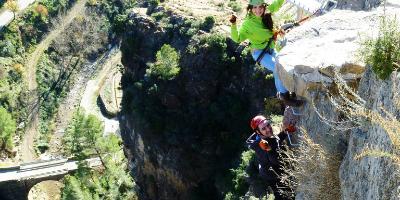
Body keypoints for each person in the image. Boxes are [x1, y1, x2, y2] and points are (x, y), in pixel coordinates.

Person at [230, 0, 301, 106]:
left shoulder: (267, 12)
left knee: (282, 67)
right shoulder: (248, 24)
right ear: (250, 8)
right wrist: (233, 24)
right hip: (259, 52)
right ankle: (284, 96)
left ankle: (286, 92)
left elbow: (277, 4)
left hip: (271, 48)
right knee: (278, 67)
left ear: (264, 7)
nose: (258, 10)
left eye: (260, 7)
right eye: (254, 7)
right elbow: (237, 38)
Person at [246, 115, 294, 200]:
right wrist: (269, 149)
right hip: (272, 174)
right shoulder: (262, 145)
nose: (268, 129)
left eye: (268, 125)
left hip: (268, 170)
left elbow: (275, 140)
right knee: (284, 195)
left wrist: (285, 132)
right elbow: (276, 161)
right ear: (258, 132)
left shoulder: (265, 137)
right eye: (263, 128)